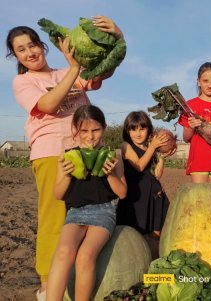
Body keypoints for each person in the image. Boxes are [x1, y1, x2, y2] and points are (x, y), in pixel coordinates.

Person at [5, 16, 124, 300]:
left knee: (81, 212)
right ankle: (47, 287)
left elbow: (100, 74)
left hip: (86, 152)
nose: (30, 52)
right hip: (50, 152)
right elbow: (46, 104)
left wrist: (117, 38)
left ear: (43, 46)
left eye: (33, 44)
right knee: (54, 216)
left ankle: (73, 277)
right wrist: (73, 69)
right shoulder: (24, 81)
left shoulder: (64, 71)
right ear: (15, 55)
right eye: (21, 49)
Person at [46, 105, 127, 301]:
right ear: (75, 130)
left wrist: (109, 174)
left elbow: (122, 193)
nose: (90, 136)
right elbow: (57, 194)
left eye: (96, 130)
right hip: (75, 212)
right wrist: (65, 174)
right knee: (64, 252)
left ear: (104, 129)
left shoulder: (113, 156)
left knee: (85, 256)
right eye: (84, 131)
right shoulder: (67, 156)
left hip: (104, 211)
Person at [116, 111, 173, 238]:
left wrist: (162, 158)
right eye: (134, 129)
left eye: (142, 129)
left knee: (155, 235)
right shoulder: (126, 146)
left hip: (154, 197)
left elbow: (156, 175)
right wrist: (153, 147)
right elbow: (139, 166)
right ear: (127, 131)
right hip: (137, 198)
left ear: (148, 130)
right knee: (135, 234)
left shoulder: (149, 149)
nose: (138, 133)